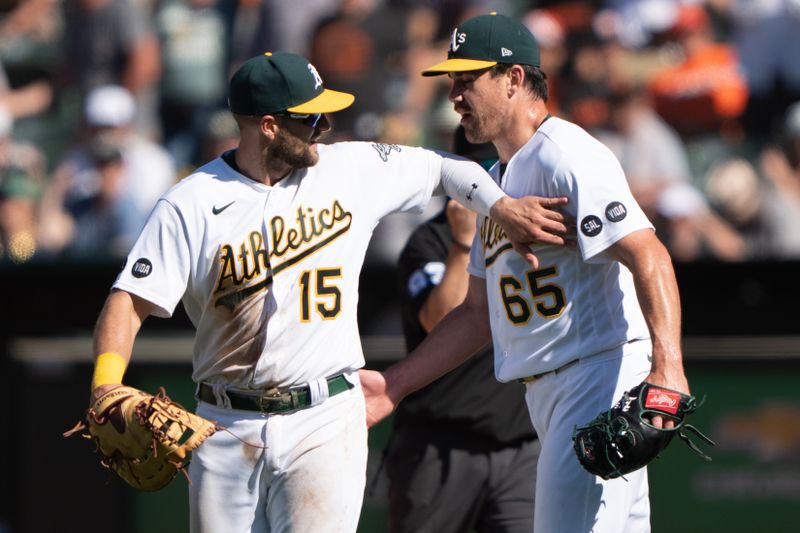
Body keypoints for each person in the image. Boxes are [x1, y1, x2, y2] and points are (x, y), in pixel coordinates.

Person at [85, 51, 570, 533]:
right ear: (270, 126)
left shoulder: (349, 168)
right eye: (310, 116)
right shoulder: (192, 202)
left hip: (324, 415)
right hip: (225, 421)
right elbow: (127, 302)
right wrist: (106, 383)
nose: (325, 125)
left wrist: (500, 205)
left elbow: (447, 169)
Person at [361, 13, 692, 533]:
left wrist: (668, 367)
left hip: (595, 375)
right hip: (552, 388)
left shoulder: (566, 154)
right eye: (451, 82)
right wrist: (394, 385)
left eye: (468, 80)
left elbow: (649, 255)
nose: (455, 95)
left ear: (514, 79)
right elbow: (475, 314)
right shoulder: (495, 181)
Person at [386, 125, 538, 533]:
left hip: (523, 441)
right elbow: (441, 318)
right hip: (441, 446)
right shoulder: (430, 242)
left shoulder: (526, 232)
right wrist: (463, 240)